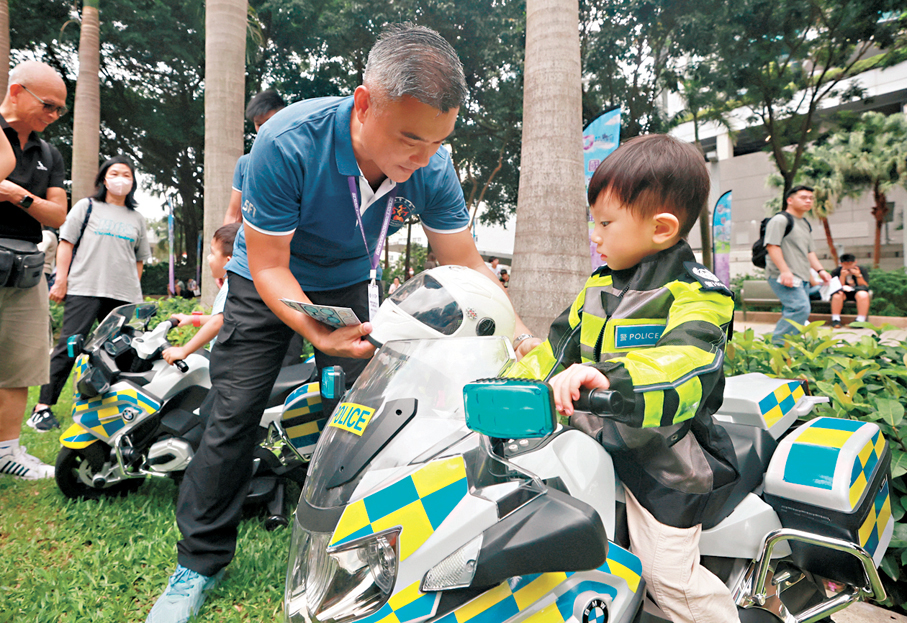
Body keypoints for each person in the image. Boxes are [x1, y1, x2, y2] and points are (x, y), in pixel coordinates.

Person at [146, 23, 536, 623]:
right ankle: (197, 563)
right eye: (410, 139)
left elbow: (464, 261)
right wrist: (312, 329)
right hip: (262, 282)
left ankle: (363, 546)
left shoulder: (430, 164)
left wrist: (519, 332)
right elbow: (273, 266)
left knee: (372, 414)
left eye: (438, 142)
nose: (423, 159)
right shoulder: (287, 141)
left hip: (346, 285)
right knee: (234, 412)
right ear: (363, 104)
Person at [511, 135, 741, 623]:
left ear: (661, 228)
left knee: (667, 578)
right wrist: (502, 382)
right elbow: (555, 353)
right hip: (590, 445)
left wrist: (607, 376)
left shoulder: (701, 294)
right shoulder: (596, 289)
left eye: (606, 223)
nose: (594, 235)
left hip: (664, 458)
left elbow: (687, 364)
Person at [28, 155, 151, 432]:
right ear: (104, 178)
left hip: (123, 295)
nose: (121, 179)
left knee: (122, 352)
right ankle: (42, 408)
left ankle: (118, 409)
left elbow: (139, 260)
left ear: (133, 183)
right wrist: (61, 280)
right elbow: (66, 244)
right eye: (115, 173)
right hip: (86, 289)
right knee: (70, 346)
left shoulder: (137, 218)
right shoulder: (87, 207)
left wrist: (133, 292)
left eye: (127, 175)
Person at [0, 61, 67, 480]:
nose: (54, 116)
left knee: (21, 360)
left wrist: (19, 197)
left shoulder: (49, 154)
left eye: (61, 109)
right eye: (49, 105)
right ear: (17, 91)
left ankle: (7, 451)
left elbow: (57, 213)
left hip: (27, 262)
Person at [162, 223, 240, 364]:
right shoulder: (239, 284)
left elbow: (218, 322)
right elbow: (225, 319)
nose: (208, 258)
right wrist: (191, 319)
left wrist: (184, 350)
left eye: (212, 253)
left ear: (228, 261)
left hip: (227, 365)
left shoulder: (231, 287)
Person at [764, 185, 831, 344]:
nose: (808, 201)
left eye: (811, 198)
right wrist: (784, 271)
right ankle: (780, 348)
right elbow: (772, 246)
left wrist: (820, 270)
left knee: (798, 311)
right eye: (803, 197)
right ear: (790, 200)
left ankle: (789, 347)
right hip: (783, 276)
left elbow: (809, 252)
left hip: (801, 277)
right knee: (799, 308)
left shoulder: (805, 223)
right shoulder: (780, 220)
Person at [223, 90, 287, 226]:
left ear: (284, 117)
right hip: (253, 242)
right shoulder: (245, 164)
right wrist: (224, 244)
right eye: (259, 124)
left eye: (269, 122)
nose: (264, 129)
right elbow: (233, 214)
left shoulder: (299, 160)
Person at [830, 253, 871, 328]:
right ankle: (836, 320)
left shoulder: (862, 270)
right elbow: (835, 287)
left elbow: (865, 286)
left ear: (855, 262)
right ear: (841, 263)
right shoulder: (836, 271)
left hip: (857, 292)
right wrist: (842, 276)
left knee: (863, 294)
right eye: (845, 264)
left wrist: (858, 276)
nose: (848, 266)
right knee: (837, 295)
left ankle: (860, 321)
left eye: (850, 264)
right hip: (843, 293)